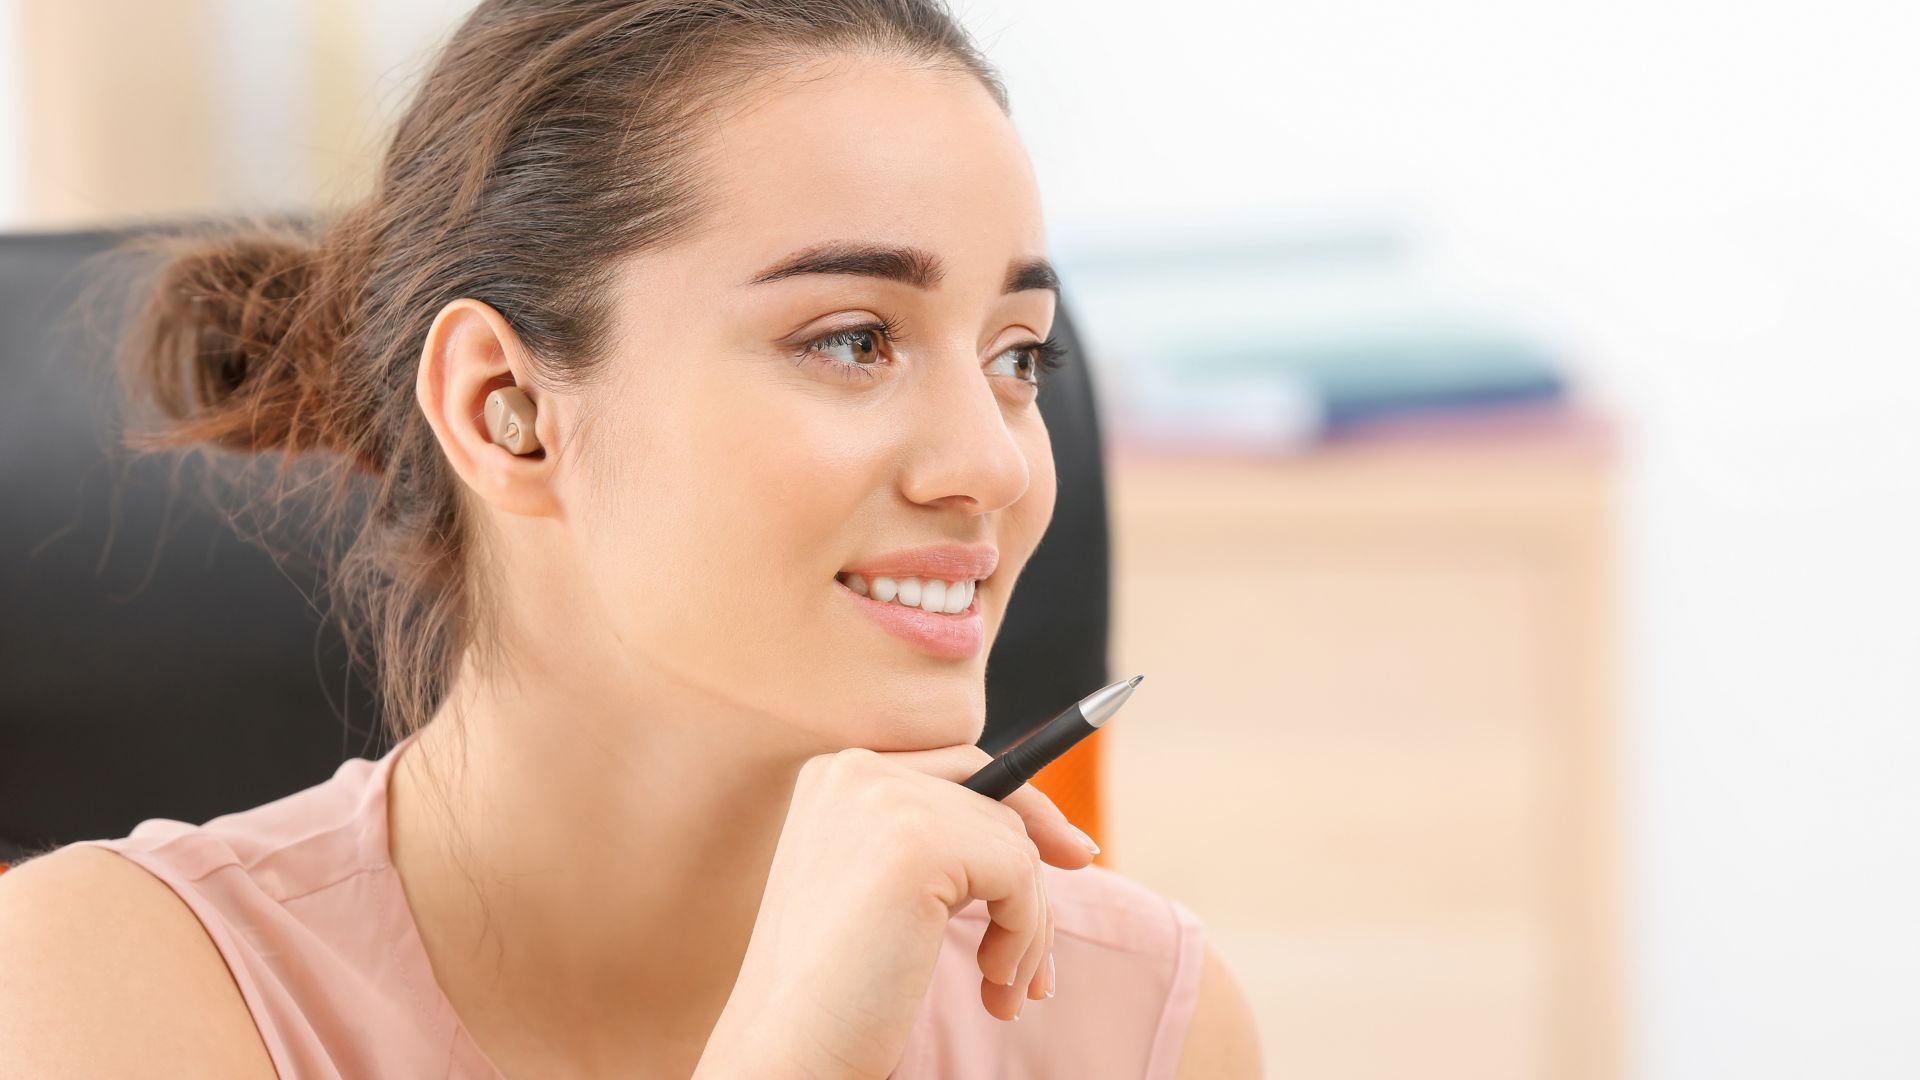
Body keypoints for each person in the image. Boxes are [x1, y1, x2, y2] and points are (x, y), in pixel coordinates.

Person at [0, 1, 1263, 1076]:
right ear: (510, 411)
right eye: (852, 339)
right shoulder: (98, 994)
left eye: (1017, 356)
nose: (993, 463)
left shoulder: (1133, 1024)